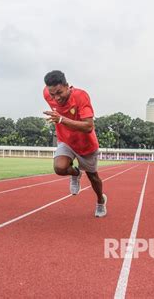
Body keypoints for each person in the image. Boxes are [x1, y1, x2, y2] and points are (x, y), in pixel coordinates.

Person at [43, 70, 107, 218]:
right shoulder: (47, 93)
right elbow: (52, 95)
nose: (56, 98)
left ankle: (100, 201)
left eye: (59, 93)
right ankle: (76, 174)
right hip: (66, 140)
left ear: (67, 86)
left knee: (93, 178)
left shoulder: (81, 96)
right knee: (59, 168)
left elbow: (88, 126)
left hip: (86, 145)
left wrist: (61, 120)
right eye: (52, 95)